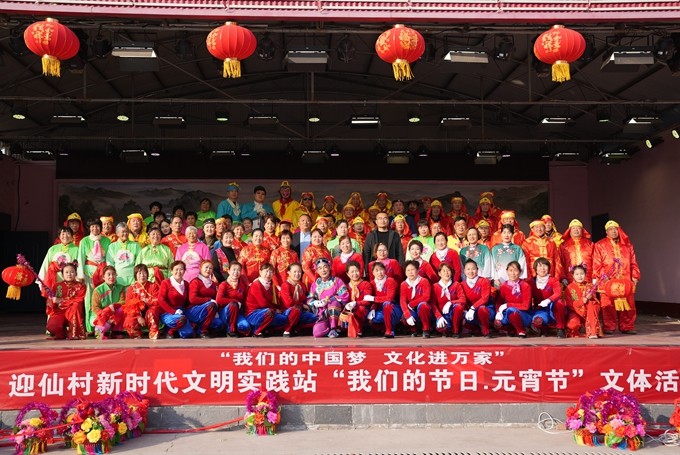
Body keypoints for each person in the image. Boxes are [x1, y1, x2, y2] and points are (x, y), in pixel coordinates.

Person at [593, 220, 641, 335]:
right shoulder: (599, 245)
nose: (613, 231)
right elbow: (596, 264)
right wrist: (603, 277)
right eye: (610, 229)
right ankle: (609, 327)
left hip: (625, 280)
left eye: (615, 229)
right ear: (606, 232)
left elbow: (633, 263)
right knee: (608, 305)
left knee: (628, 305)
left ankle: (627, 326)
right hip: (607, 281)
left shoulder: (627, 245)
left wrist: (635, 276)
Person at [76, 219, 111, 334]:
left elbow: (109, 258)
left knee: (103, 299)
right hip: (88, 275)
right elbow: (81, 258)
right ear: (89, 228)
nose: (95, 229)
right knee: (88, 300)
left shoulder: (107, 241)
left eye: (97, 226)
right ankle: (89, 328)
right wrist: (80, 275)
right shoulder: (84, 241)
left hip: (102, 275)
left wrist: (109, 274)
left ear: (100, 228)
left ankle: (103, 325)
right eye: (92, 226)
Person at [307, 257, 350, 338]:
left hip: (336, 312)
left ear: (330, 267)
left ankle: (334, 328)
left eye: (325, 267)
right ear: (317, 270)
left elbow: (345, 296)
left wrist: (330, 300)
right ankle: (328, 328)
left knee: (333, 303)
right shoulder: (316, 284)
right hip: (322, 313)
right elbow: (309, 299)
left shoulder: (337, 281)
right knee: (317, 333)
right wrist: (317, 302)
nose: (323, 270)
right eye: (320, 268)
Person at [245, 263, 288, 337]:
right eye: (266, 271)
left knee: (284, 319)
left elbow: (270, 303)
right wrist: (275, 310)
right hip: (253, 313)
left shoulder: (269, 285)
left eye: (271, 272)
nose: (268, 274)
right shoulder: (256, 284)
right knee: (269, 312)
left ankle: (267, 328)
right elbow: (263, 303)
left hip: (266, 311)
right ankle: (257, 330)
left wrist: (279, 309)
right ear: (260, 272)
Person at [46, 262, 86, 340]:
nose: (69, 274)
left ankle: (74, 333)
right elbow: (51, 303)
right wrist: (52, 300)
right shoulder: (57, 286)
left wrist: (61, 301)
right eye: (66, 272)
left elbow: (78, 299)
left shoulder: (81, 286)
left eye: (72, 272)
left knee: (76, 305)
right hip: (60, 311)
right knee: (52, 326)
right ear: (62, 274)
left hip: (73, 312)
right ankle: (63, 333)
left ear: (76, 273)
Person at [528, 257, 566, 338]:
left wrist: (548, 300)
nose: (542, 268)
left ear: (549, 268)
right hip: (540, 309)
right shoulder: (531, 282)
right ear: (535, 269)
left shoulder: (553, 280)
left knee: (559, 303)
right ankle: (544, 329)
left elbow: (558, 293)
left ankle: (560, 328)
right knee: (537, 321)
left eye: (545, 266)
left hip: (553, 308)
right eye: (540, 266)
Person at [494, 261, 533, 337]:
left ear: (520, 272)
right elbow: (499, 302)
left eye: (515, 271)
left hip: (524, 315)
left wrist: (508, 305)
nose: (513, 273)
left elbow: (526, 306)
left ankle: (521, 330)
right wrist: (498, 313)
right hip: (508, 313)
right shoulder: (504, 286)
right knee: (497, 323)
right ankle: (511, 329)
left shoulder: (525, 286)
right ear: (507, 271)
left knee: (511, 310)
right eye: (510, 270)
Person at [157, 260, 194, 338]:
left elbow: (188, 302)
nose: (178, 272)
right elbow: (161, 300)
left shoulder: (186, 284)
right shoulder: (166, 282)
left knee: (188, 333)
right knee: (181, 319)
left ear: (184, 271)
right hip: (168, 312)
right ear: (171, 271)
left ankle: (173, 329)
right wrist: (173, 311)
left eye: (181, 269)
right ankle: (170, 331)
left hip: (182, 312)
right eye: (176, 269)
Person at [40, 227, 79, 299]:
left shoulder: (77, 249)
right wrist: (42, 280)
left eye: (68, 233)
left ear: (72, 236)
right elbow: (45, 265)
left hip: (70, 282)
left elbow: (78, 267)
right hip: (53, 282)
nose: (65, 236)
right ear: (59, 236)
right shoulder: (52, 249)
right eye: (63, 234)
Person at [124, 264, 161, 339]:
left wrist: (146, 301)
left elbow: (157, 301)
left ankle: (153, 334)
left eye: (144, 273)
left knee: (152, 313)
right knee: (129, 321)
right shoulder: (131, 288)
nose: (142, 275)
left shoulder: (153, 286)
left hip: (150, 310)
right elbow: (128, 305)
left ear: (147, 274)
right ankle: (137, 335)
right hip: (136, 312)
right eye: (139, 273)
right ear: (135, 275)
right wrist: (138, 316)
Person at [279, 263, 316, 336]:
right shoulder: (285, 285)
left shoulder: (302, 285)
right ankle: (287, 330)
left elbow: (304, 299)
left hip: (300, 311)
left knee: (314, 317)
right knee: (296, 309)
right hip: (288, 311)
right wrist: (302, 305)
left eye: (299, 272)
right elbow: (288, 303)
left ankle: (297, 327)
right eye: (295, 272)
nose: (297, 274)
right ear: (289, 272)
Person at [564, 265, 602, 338]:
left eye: (582, 274)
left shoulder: (589, 285)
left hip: (589, 311)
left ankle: (592, 332)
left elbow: (595, 301)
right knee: (572, 325)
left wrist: (591, 297)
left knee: (592, 304)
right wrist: (581, 301)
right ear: (573, 275)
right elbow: (569, 304)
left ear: (585, 274)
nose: (579, 276)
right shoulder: (570, 287)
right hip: (576, 311)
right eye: (577, 274)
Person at [461, 259, 495, 338]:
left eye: (473, 269)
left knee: (481, 308)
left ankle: (486, 330)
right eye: (468, 269)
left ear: (477, 270)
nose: (471, 271)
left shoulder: (484, 281)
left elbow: (484, 299)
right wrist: (465, 311)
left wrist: (473, 308)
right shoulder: (462, 284)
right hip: (470, 312)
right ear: (464, 271)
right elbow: (462, 300)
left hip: (486, 309)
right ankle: (475, 327)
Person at [366, 261, 401, 338]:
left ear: (385, 270)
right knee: (372, 318)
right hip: (380, 308)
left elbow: (390, 298)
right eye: (376, 270)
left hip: (393, 307)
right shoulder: (372, 283)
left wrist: (374, 298)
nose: (379, 273)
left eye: (381, 270)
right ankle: (383, 328)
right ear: (373, 273)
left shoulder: (390, 280)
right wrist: (372, 309)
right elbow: (373, 302)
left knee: (387, 304)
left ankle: (389, 330)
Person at [400, 260, 433, 338]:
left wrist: (412, 303)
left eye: (412, 269)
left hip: (422, 308)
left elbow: (426, 297)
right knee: (405, 316)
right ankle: (414, 330)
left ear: (418, 271)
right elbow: (402, 301)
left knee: (423, 305)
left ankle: (426, 329)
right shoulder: (403, 284)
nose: (410, 272)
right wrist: (407, 314)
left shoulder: (424, 281)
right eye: (408, 270)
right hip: (411, 309)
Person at [431, 263, 466, 337]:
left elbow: (463, 299)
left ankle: (455, 330)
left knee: (458, 307)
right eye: (444, 271)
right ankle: (447, 328)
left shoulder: (456, 284)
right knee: (442, 328)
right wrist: (439, 317)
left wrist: (451, 302)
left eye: (448, 270)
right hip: (442, 314)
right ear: (439, 273)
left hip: (453, 313)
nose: (446, 273)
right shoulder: (435, 286)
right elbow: (433, 304)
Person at [216, 261, 250, 337]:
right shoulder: (224, 284)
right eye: (234, 269)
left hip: (238, 312)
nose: (236, 272)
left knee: (245, 326)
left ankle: (235, 325)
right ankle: (230, 329)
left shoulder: (242, 285)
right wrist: (235, 301)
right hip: (225, 312)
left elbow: (245, 301)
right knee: (233, 304)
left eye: (238, 270)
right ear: (228, 271)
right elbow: (219, 300)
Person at [187, 260, 220, 338]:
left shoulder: (213, 284)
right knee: (212, 305)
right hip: (194, 309)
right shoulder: (195, 282)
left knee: (219, 324)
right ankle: (202, 330)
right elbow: (192, 299)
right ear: (200, 268)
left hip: (209, 309)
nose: (208, 270)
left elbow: (216, 299)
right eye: (206, 267)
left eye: (210, 268)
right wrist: (208, 300)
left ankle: (198, 326)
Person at [91, 266, 126, 339]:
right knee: (99, 335)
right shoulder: (98, 290)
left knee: (123, 309)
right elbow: (95, 307)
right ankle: (99, 331)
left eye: (113, 274)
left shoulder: (121, 288)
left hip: (115, 313)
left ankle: (116, 331)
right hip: (103, 314)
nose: (111, 277)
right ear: (103, 277)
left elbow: (123, 301)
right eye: (109, 274)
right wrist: (107, 312)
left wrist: (113, 306)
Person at [105, 222, 142, 288]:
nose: (125, 234)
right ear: (117, 233)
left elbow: (139, 262)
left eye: (127, 231)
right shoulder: (112, 246)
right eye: (123, 232)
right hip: (117, 279)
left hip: (133, 279)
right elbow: (110, 263)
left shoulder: (135, 245)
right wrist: (112, 277)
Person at [342, 261, 374, 337]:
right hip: (350, 309)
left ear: (360, 271)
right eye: (352, 272)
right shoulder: (345, 286)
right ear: (347, 274)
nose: (355, 274)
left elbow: (367, 301)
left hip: (362, 308)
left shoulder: (366, 284)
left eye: (356, 271)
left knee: (360, 309)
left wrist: (356, 303)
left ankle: (359, 329)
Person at [559, 219, 594, 285]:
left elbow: (595, 262)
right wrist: (563, 277)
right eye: (573, 228)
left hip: (588, 278)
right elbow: (560, 263)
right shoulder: (563, 245)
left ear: (582, 230)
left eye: (578, 228)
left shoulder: (590, 244)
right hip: (570, 279)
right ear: (569, 231)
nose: (576, 230)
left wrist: (594, 277)